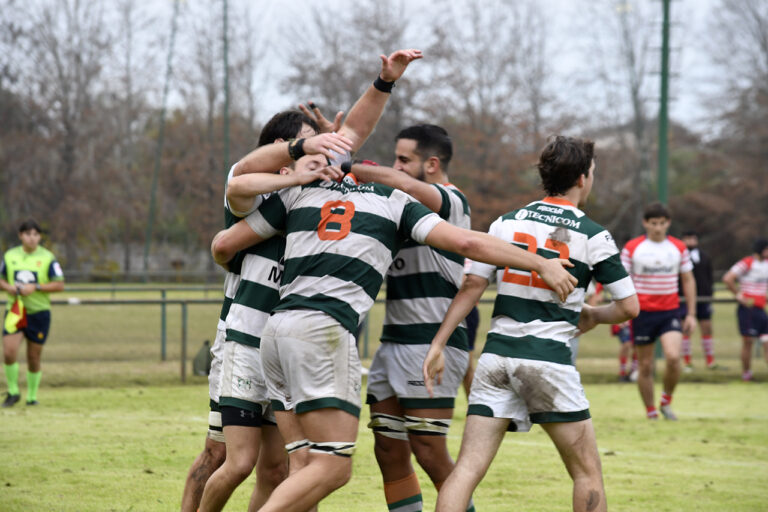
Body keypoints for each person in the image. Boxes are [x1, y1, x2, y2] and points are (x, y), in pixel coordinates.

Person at [210, 127, 577, 511]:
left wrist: (299, 173)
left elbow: (228, 229)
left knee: (303, 464)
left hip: (275, 332)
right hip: (322, 332)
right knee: (333, 468)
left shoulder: (301, 193)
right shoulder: (396, 202)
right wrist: (539, 261)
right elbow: (467, 242)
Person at [199, 49, 412, 512]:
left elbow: (353, 134)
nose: (321, 147)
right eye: (308, 141)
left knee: (284, 469)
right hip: (243, 339)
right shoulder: (260, 192)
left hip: (285, 345)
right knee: (230, 462)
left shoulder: (310, 195)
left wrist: (383, 82)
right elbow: (225, 230)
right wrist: (297, 163)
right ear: (281, 150)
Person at [422, 136, 638, 512]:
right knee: (587, 473)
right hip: (547, 360)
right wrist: (592, 316)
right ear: (584, 178)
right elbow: (629, 307)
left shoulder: (504, 224)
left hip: (496, 360)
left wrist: (438, 343)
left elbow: (472, 285)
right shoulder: (594, 235)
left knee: (467, 470)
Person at [350, 124, 475, 512]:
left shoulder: (452, 201)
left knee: (429, 451)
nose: (396, 166)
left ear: (432, 165)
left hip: (430, 343)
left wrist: (350, 164)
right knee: (388, 449)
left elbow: (390, 181)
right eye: (396, 158)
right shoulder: (399, 209)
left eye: (405, 160)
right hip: (393, 344)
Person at [621, 202, 696, 420]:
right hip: (642, 313)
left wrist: (690, 313)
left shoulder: (679, 248)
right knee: (645, 365)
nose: (657, 228)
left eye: (662, 223)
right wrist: (624, 311)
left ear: (668, 224)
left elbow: (688, 279)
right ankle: (650, 411)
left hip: (670, 312)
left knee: (673, 357)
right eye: (653, 223)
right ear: (645, 223)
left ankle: (666, 401)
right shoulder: (632, 248)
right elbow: (622, 281)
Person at [1, 219, 65, 407]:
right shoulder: (10, 256)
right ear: (21, 236)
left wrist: (36, 287)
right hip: (16, 310)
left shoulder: (48, 258)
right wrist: (9, 288)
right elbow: (1, 280)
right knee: (9, 351)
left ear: (40, 237)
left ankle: (31, 397)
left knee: (33, 357)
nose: (32, 238)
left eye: (36, 234)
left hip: (39, 312)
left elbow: (60, 284)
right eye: (28, 234)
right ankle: (13, 392)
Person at [722, 238, 768, 382]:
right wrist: (739, 295)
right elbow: (728, 278)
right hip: (748, 309)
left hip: (761, 309)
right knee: (748, 342)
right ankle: (746, 374)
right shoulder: (747, 262)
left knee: (766, 341)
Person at [679, 231, 719, 371]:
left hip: (703, 298)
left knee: (706, 328)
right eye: (687, 238)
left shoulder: (704, 256)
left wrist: (710, 294)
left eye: (692, 238)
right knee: (686, 329)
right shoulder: (678, 256)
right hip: (684, 298)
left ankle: (710, 361)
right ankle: (687, 362)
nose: (690, 241)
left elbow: (709, 277)